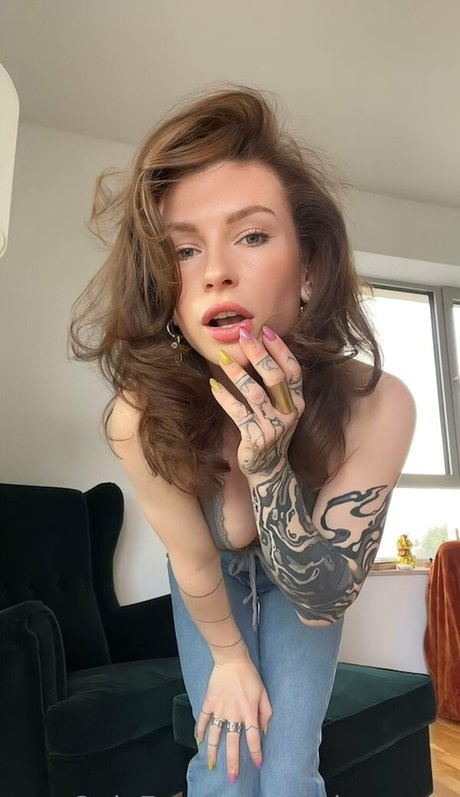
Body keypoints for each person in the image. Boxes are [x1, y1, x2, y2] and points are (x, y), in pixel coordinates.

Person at [68, 83, 416, 796]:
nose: (216, 271)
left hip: (306, 578)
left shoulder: (377, 405)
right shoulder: (140, 415)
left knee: (287, 770)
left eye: (252, 235)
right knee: (228, 766)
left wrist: (269, 470)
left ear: (309, 270)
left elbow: (323, 599)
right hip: (208, 577)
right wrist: (229, 659)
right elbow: (196, 560)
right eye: (184, 250)